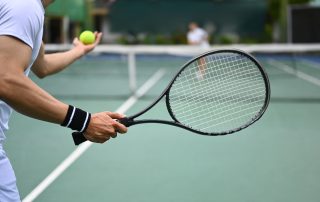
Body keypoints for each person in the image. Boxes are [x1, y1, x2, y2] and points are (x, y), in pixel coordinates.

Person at [0, 0, 127, 201]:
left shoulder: (27, 9)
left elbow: (42, 66)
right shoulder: (24, 6)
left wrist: (78, 51)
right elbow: (6, 79)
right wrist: (84, 121)